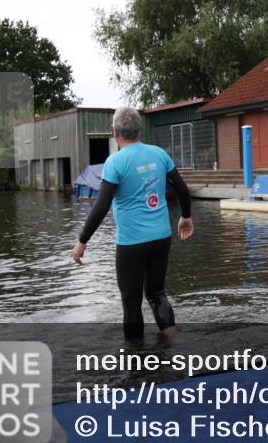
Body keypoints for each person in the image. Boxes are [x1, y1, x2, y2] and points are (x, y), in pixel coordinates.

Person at [72, 107, 194, 339]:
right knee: (157, 293)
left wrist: (82, 240)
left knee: (131, 304)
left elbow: (101, 206)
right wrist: (186, 216)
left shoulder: (115, 162)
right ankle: (172, 341)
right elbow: (181, 188)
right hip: (161, 237)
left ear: (115, 131)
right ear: (138, 130)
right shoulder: (159, 154)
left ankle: (136, 362)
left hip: (132, 243)